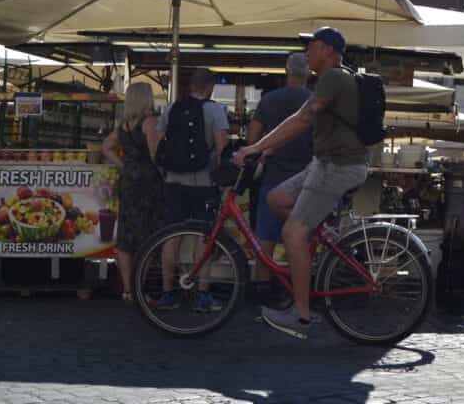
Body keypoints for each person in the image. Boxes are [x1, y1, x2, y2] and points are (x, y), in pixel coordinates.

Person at [233, 27, 370, 339]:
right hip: (322, 164)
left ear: (326, 49)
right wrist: (264, 147)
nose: (307, 52)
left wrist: (254, 148)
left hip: (337, 166)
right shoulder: (333, 79)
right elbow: (296, 119)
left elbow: (303, 120)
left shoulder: (333, 77)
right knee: (277, 198)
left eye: (311, 46)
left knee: (292, 232)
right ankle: (321, 232)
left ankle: (302, 315)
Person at [155, 67, 230, 313]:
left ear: (190, 86)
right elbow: (221, 147)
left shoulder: (172, 108)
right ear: (210, 87)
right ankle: (202, 294)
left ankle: (167, 293)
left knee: (171, 236)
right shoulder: (215, 110)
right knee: (203, 237)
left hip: (174, 181)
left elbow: (158, 143)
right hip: (203, 182)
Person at [245, 52, 314, 317]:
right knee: (302, 240)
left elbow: (252, 138)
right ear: (308, 73)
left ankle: (262, 297)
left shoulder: (269, 100)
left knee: (266, 240)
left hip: (273, 179)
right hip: (306, 180)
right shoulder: (314, 101)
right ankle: (300, 295)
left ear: (286, 71)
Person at [100, 82, 163, 303]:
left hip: (128, 182)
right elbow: (156, 156)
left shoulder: (124, 124)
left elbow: (105, 147)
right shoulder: (150, 122)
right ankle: (139, 290)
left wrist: (123, 165)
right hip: (148, 184)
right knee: (147, 237)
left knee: (126, 237)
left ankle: (127, 289)